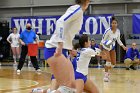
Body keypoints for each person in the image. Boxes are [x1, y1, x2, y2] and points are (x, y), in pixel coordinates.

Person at [44, 0, 90, 93]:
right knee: (67, 88)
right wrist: (60, 44)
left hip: (62, 50)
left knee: (72, 86)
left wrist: (69, 48)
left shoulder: (78, 12)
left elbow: (68, 33)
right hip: (54, 49)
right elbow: (60, 22)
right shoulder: (77, 9)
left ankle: (38, 91)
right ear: (86, 1)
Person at [100, 16, 127, 82]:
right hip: (106, 47)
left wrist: (123, 46)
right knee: (108, 60)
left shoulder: (118, 31)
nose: (114, 24)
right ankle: (106, 76)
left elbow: (118, 40)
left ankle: (106, 69)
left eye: (115, 23)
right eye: (113, 23)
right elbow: (102, 40)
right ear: (111, 24)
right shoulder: (108, 31)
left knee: (113, 64)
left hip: (112, 47)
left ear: (117, 24)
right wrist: (101, 49)